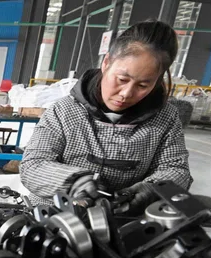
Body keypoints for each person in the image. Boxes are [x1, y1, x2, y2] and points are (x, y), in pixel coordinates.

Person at [20, 21, 191, 211]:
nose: (126, 93)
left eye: (143, 85)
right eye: (122, 79)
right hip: (52, 215)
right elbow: (33, 166)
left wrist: (149, 190)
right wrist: (75, 182)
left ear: (157, 81)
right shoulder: (64, 111)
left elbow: (177, 170)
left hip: (123, 219)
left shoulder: (165, 119)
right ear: (106, 62)